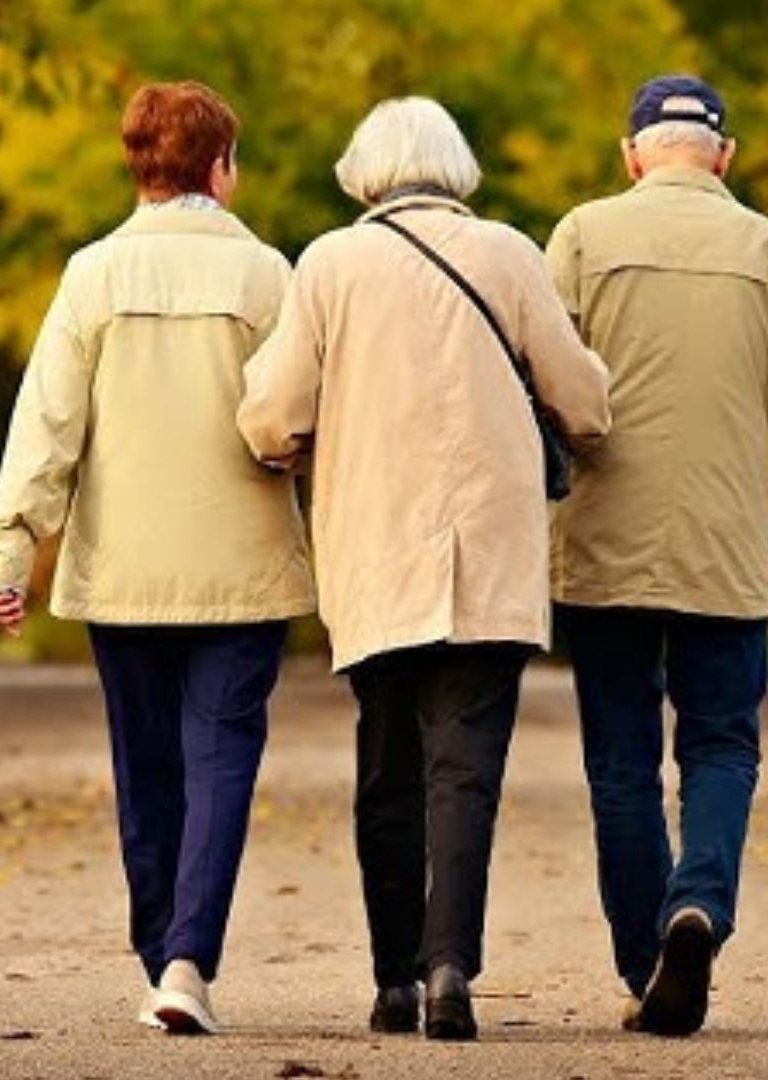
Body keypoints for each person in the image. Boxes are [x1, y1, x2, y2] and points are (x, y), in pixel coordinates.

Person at [238, 97, 610, 1041]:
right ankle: (452, 967)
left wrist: (298, 443)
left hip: (376, 552)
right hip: (488, 551)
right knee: (466, 772)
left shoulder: (329, 263)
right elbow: (584, 402)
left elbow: (274, 413)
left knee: (388, 765)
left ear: (363, 171)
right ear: (458, 167)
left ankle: (393, 980)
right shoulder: (512, 254)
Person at [0, 81, 313, 1036]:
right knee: (221, 764)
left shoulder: (91, 276)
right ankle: (185, 959)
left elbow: (47, 424)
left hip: (123, 571)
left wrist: (14, 550)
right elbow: (299, 420)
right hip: (240, 570)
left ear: (138, 167)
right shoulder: (268, 277)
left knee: (146, 768)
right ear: (219, 168)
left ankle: (157, 944)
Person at [545, 74, 768, 1036]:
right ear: (724, 155)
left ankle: (649, 959)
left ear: (633, 151)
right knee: (722, 745)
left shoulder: (581, 240)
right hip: (729, 555)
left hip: (604, 551)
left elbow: (540, 392)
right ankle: (700, 906)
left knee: (622, 763)